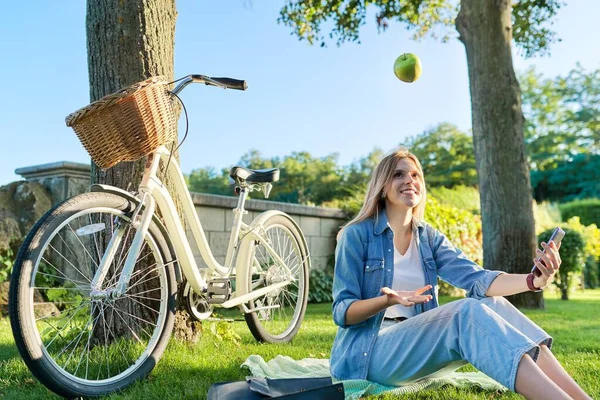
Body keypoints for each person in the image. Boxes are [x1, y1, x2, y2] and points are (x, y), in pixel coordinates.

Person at [329, 147, 591, 400]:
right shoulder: (356, 235)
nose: (409, 180)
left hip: (415, 348)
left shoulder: (428, 237)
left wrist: (534, 280)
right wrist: (387, 301)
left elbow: (479, 279)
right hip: (368, 354)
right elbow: (343, 312)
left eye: (415, 175)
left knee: (493, 303)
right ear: (383, 186)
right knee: (463, 313)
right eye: (399, 174)